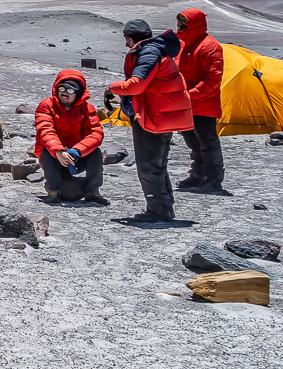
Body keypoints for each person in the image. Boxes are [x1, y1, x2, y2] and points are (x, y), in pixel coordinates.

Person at [107, 18, 194, 223]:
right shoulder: (157, 50)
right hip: (161, 113)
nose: (126, 44)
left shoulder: (148, 52)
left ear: (129, 38)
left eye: (126, 40)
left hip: (152, 115)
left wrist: (112, 88)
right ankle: (164, 208)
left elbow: (137, 85)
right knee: (157, 163)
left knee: (148, 165)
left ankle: (157, 211)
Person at [33, 69, 106, 204]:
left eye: (70, 90)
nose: (64, 93)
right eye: (61, 88)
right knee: (46, 151)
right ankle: (53, 191)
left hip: (76, 155)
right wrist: (59, 151)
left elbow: (96, 133)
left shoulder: (87, 108)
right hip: (55, 157)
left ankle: (93, 192)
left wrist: (77, 151)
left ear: (78, 93)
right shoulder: (46, 106)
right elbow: (45, 130)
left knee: (95, 153)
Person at [175, 8, 227, 193]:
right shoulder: (183, 44)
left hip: (203, 104)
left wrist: (190, 95)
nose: (179, 29)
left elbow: (212, 79)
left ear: (194, 25)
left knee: (207, 142)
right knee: (193, 143)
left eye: (183, 25)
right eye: (179, 25)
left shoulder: (210, 46)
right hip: (185, 103)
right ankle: (197, 175)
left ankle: (213, 179)